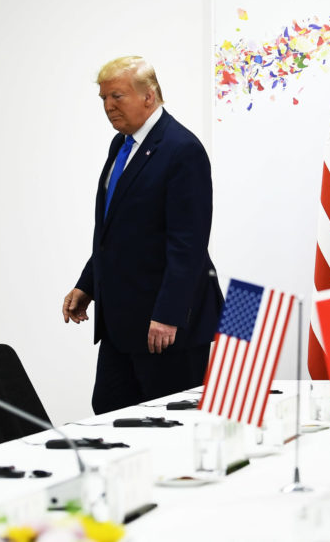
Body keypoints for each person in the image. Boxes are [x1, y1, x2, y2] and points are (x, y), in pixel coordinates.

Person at [62, 56, 223, 414]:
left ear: (149, 96)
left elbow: (188, 243)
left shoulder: (182, 149)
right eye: (104, 98)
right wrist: (87, 285)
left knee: (170, 425)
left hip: (165, 327)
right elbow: (115, 230)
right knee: (108, 413)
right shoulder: (120, 145)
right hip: (121, 323)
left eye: (117, 96)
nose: (108, 106)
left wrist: (169, 314)